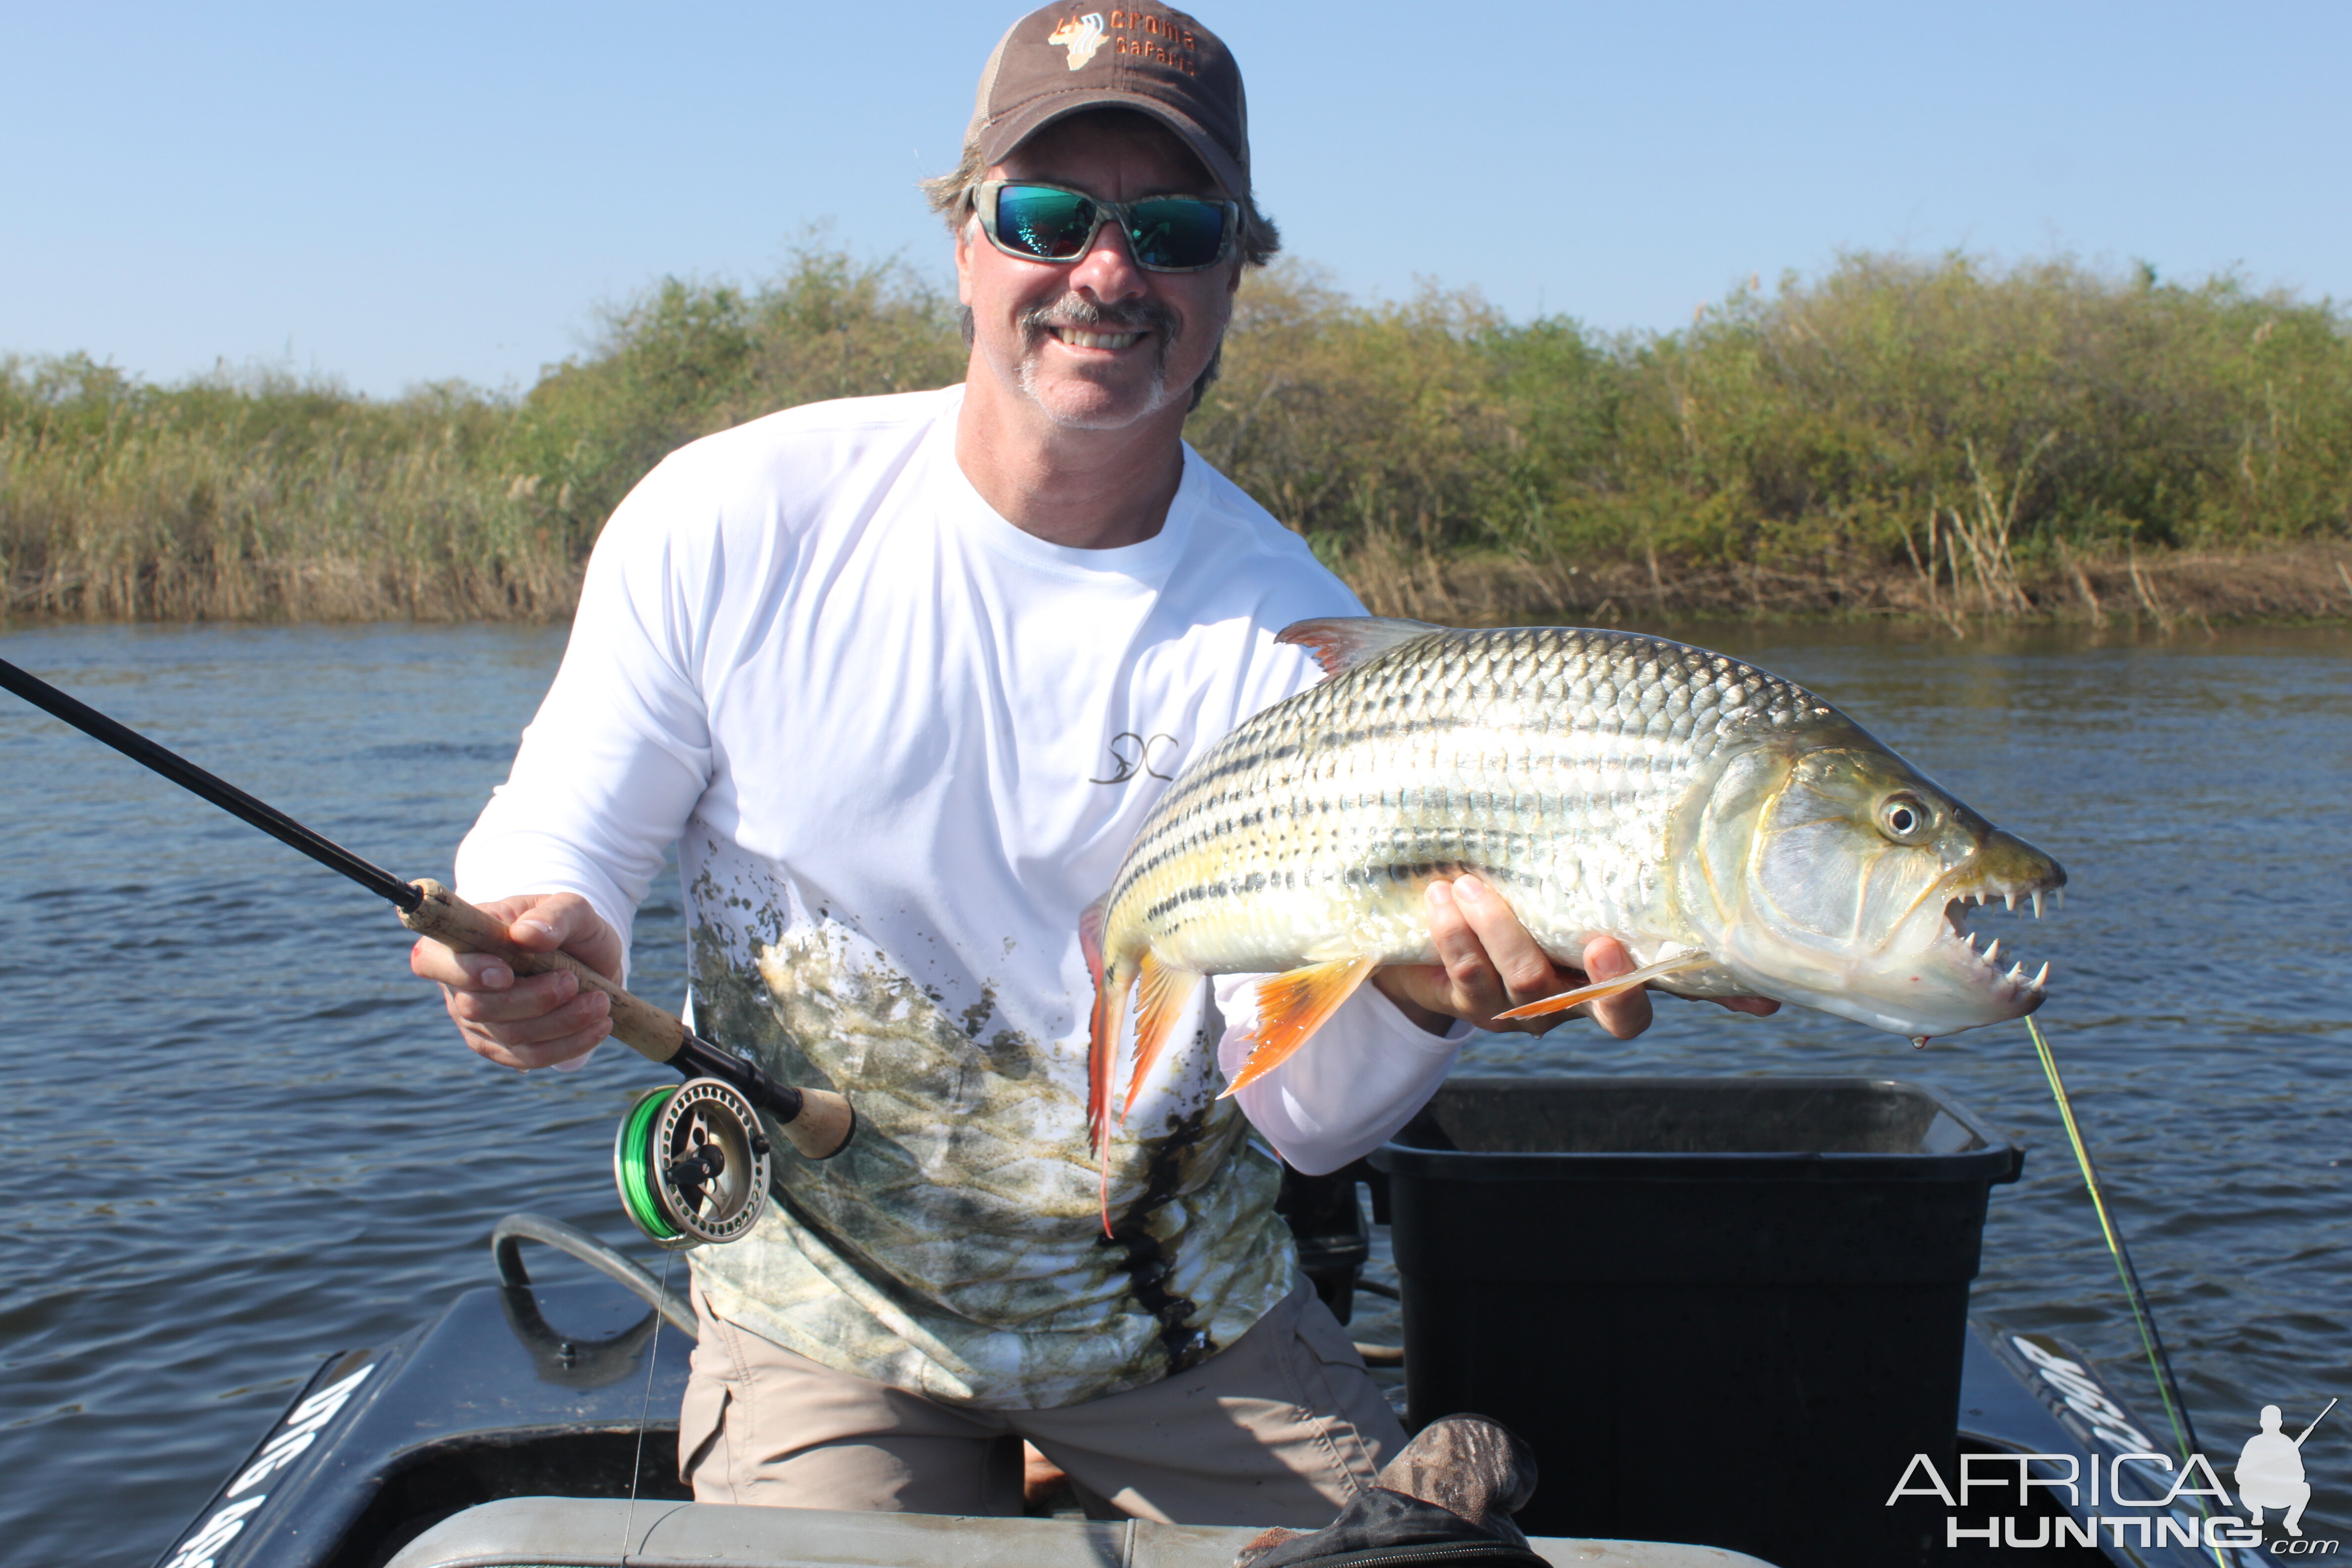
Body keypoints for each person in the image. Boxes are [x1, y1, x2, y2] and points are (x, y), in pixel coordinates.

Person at [411, 3, 1764, 1526]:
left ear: (1234, 275)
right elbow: (556, 836)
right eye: (1048, 216)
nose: (1107, 274)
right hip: (829, 1316)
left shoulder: (1295, 643)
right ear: (965, 242)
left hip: (1181, 1318)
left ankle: (1080, 1451)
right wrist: (532, 942)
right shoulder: (729, 517)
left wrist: (1414, 998)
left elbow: (1305, 1122)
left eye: (1175, 229)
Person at [2235, 1405, 2312, 1536]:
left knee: (2305, 1488)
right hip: (2256, 1494)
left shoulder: (2288, 1444)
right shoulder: (2254, 1443)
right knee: (2245, 1487)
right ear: (2262, 1423)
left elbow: (2301, 1475)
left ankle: (2291, 1522)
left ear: (2280, 1423)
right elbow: (2239, 1475)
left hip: (2280, 1494)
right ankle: (2257, 1513)